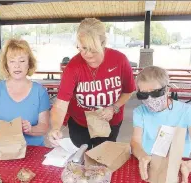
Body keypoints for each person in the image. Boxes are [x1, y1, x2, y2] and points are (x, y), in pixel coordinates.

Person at [48, 18, 136, 149]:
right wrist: (55, 128)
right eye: (82, 48)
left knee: (104, 157)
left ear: (103, 43)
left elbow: (128, 90)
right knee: (80, 158)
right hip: (80, 122)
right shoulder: (73, 66)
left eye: (93, 49)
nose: (87, 54)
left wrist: (114, 107)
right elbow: (61, 104)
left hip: (110, 121)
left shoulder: (120, 60)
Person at [130, 66, 191, 183]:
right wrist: (142, 156)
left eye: (155, 93)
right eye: (143, 94)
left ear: (167, 90)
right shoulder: (139, 112)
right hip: (148, 166)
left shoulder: (187, 112)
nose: (150, 100)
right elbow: (135, 142)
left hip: (176, 169)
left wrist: (189, 166)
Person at [0, 39, 50, 146]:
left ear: (29, 63)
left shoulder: (40, 91)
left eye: (22, 61)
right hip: (2, 149)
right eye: (12, 61)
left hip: (34, 150)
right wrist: (8, 126)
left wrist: (30, 129)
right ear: (6, 65)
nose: (17, 66)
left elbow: (44, 126)